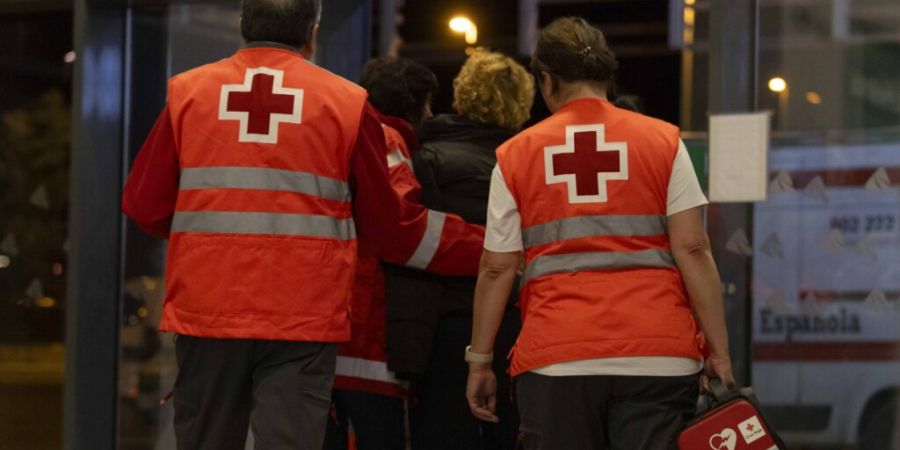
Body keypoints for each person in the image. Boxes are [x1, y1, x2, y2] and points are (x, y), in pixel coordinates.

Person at [122, 1, 421, 448]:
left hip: (209, 308)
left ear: (243, 26)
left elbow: (144, 204)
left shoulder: (189, 93)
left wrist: (206, 239)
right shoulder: (347, 104)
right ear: (312, 32)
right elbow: (383, 224)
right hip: (304, 315)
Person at [465, 17, 735, 450]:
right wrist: (718, 350)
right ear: (607, 77)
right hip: (659, 357)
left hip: (558, 357)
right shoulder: (663, 141)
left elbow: (497, 268)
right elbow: (693, 247)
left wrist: (480, 360)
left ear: (547, 81)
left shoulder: (516, 156)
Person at [325, 57, 485, 450]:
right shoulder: (385, 139)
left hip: (321, 337)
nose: (431, 115)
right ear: (414, 105)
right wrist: (487, 246)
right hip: (368, 335)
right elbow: (405, 231)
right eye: (428, 105)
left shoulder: (336, 134)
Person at [391, 48, 533, 450]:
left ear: (463, 94)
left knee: (442, 435)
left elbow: (418, 243)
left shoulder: (428, 158)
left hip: (444, 328)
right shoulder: (527, 162)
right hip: (514, 323)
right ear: (520, 103)